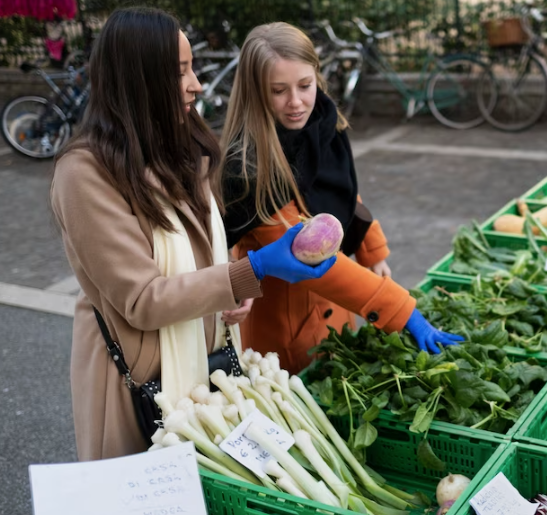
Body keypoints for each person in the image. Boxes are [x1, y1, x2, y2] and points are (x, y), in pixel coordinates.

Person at [49, 8, 334, 461]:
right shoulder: (85, 173)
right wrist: (249, 271)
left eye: (192, 68)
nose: (196, 84)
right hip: (139, 379)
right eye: (180, 71)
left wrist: (232, 284)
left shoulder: (185, 142)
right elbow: (143, 299)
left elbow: (204, 247)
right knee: (149, 513)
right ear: (140, 79)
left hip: (208, 364)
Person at [218, 22, 462, 373]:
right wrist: (401, 310)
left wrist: (370, 247)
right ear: (255, 92)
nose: (296, 102)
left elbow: (342, 192)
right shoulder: (248, 167)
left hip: (338, 313)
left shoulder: (322, 123)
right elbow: (307, 254)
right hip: (288, 332)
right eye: (278, 91)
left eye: (305, 85)